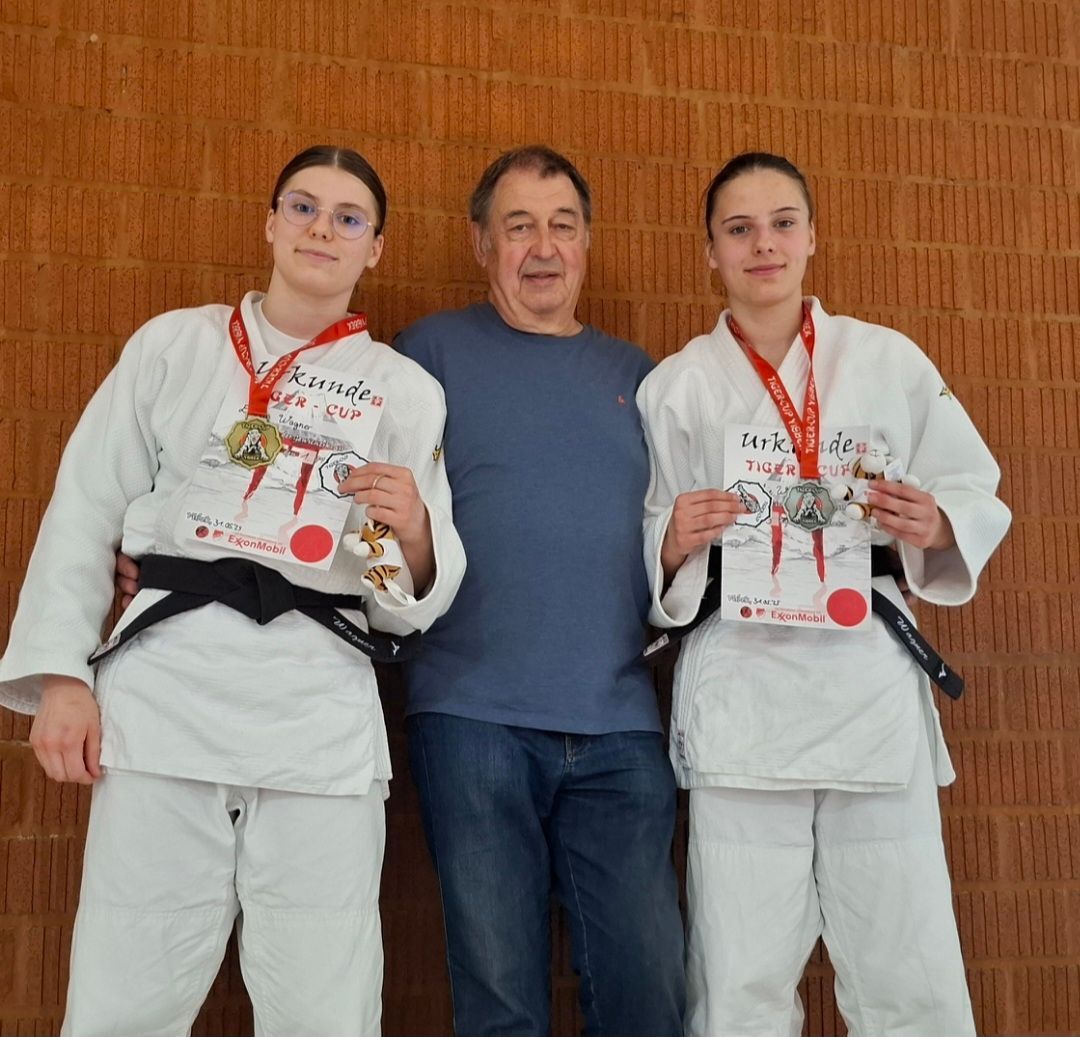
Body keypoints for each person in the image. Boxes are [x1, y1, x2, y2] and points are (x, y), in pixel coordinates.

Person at [0, 145, 465, 1037]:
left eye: (349, 217)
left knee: (326, 1005)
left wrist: (410, 533)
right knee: (125, 994)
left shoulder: (402, 391)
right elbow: (86, 503)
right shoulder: (174, 346)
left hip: (316, 709)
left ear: (375, 247)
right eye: (303, 206)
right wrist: (63, 677)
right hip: (165, 694)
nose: (322, 228)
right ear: (270, 223)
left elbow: (391, 598)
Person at [636, 151, 1011, 1036]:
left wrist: (938, 522)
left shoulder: (889, 360)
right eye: (739, 229)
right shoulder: (677, 384)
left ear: (812, 236)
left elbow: (974, 486)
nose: (763, 244)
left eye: (782, 223)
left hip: (865, 679)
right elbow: (650, 531)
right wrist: (671, 540)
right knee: (740, 971)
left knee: (907, 958)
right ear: (711, 251)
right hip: (744, 685)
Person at [394, 146, 686, 1036]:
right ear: (481, 243)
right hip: (471, 715)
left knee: (648, 993)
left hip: (621, 723)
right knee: (501, 1003)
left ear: (588, 242)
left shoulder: (640, 377)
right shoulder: (426, 355)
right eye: (519, 225)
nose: (544, 247)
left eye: (563, 225)